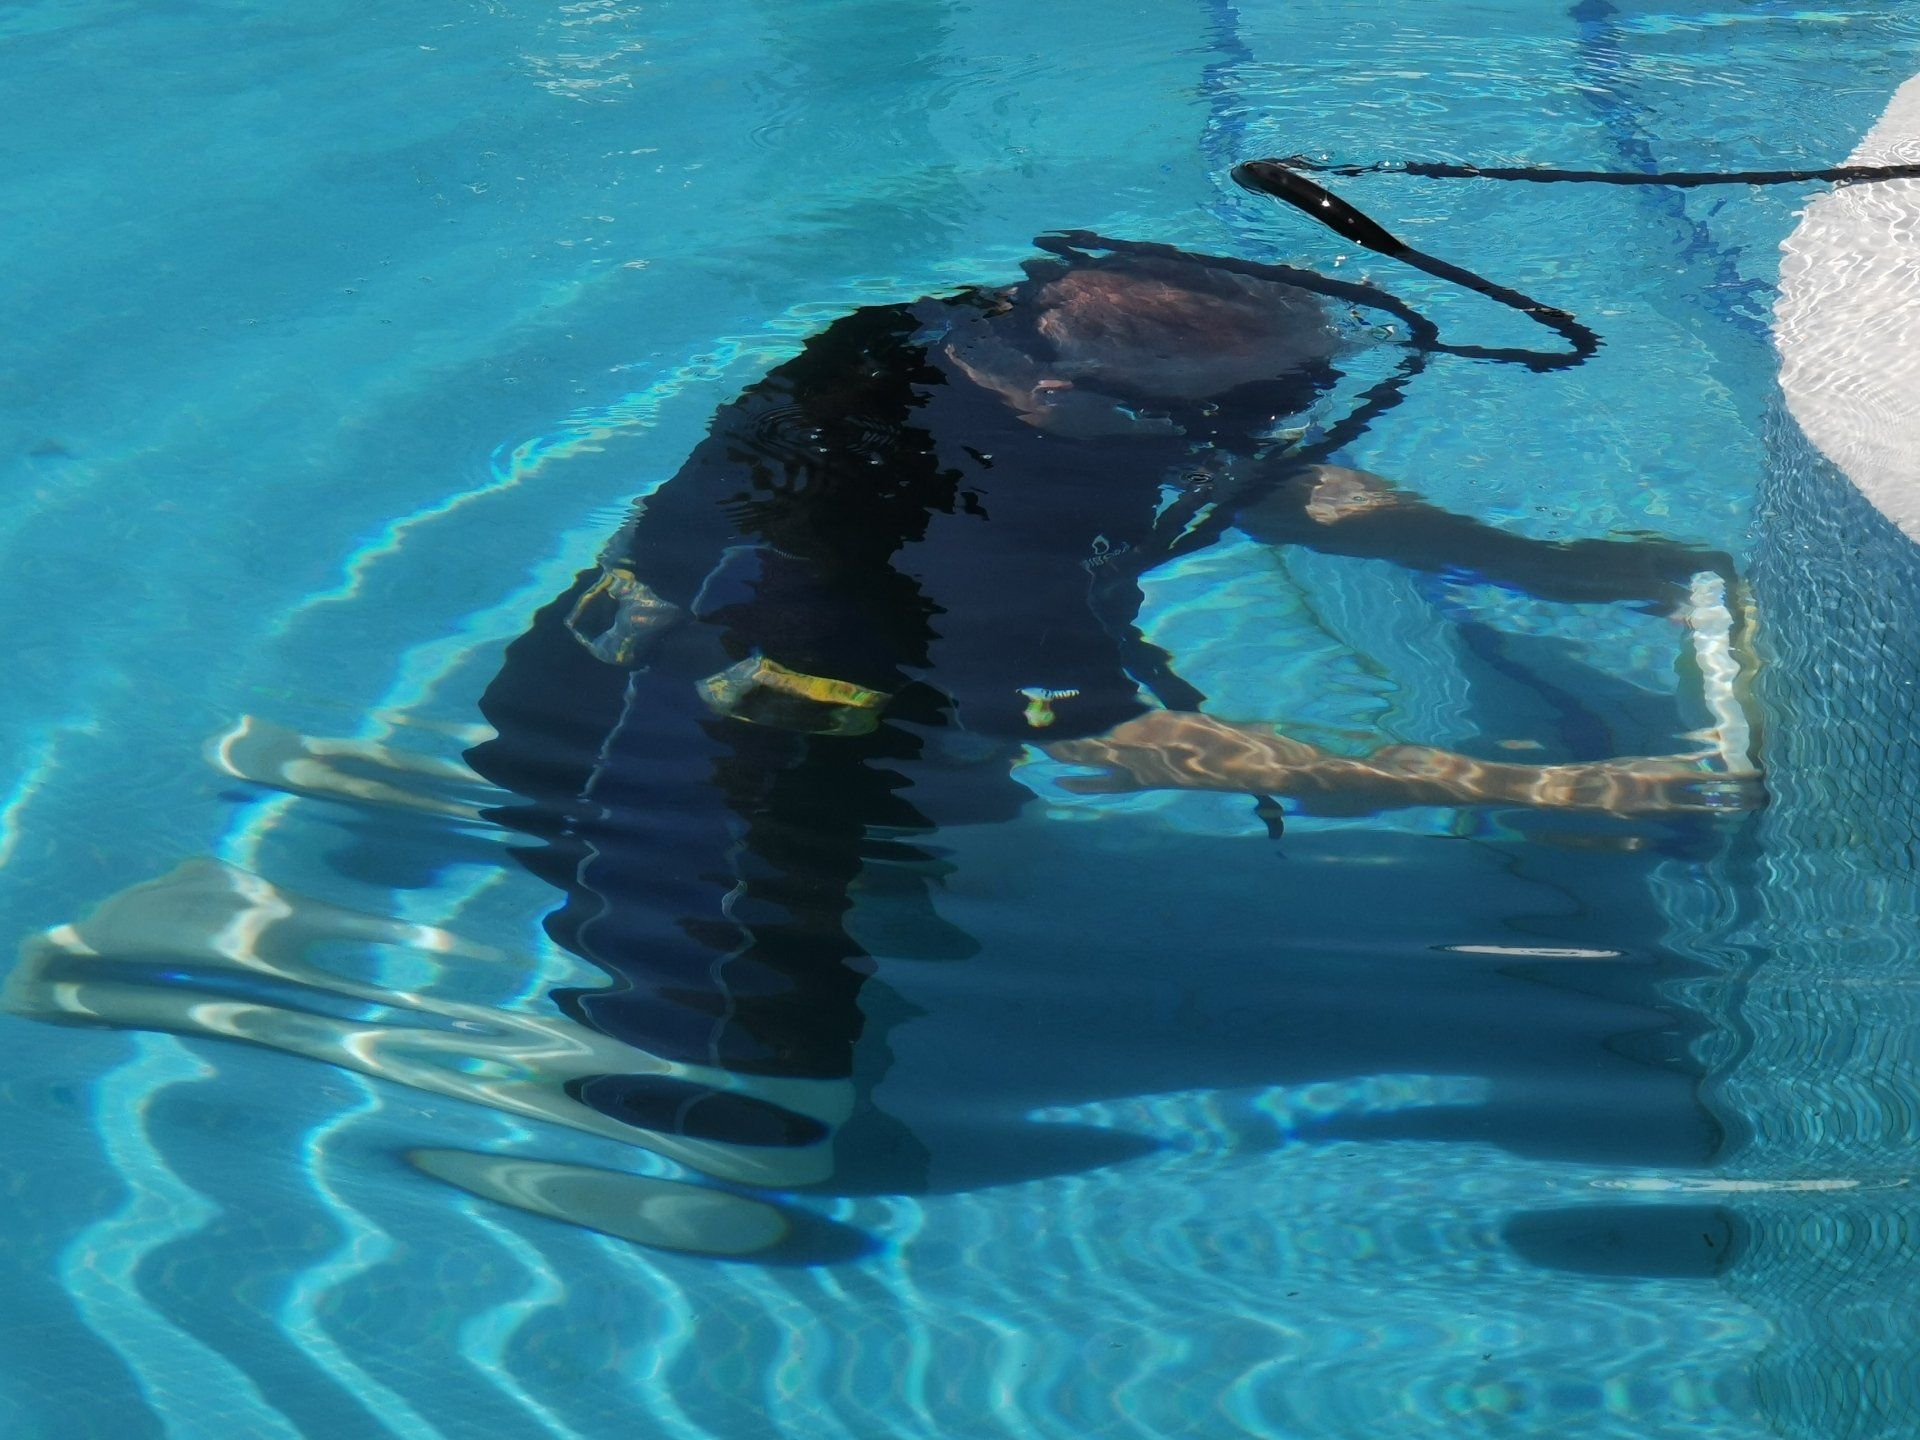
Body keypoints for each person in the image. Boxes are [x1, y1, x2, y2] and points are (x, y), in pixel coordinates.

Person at [465, 233, 1755, 1180]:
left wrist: (1541, 567)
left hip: (686, 659)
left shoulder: (957, 337)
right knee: (772, 1110)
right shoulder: (959, 533)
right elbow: (1122, 741)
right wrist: (1527, 789)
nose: (1289, 423)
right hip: (702, 756)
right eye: (1267, 402)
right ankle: (597, 1079)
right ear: (1058, 392)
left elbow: (1254, 472)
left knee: (967, 858)